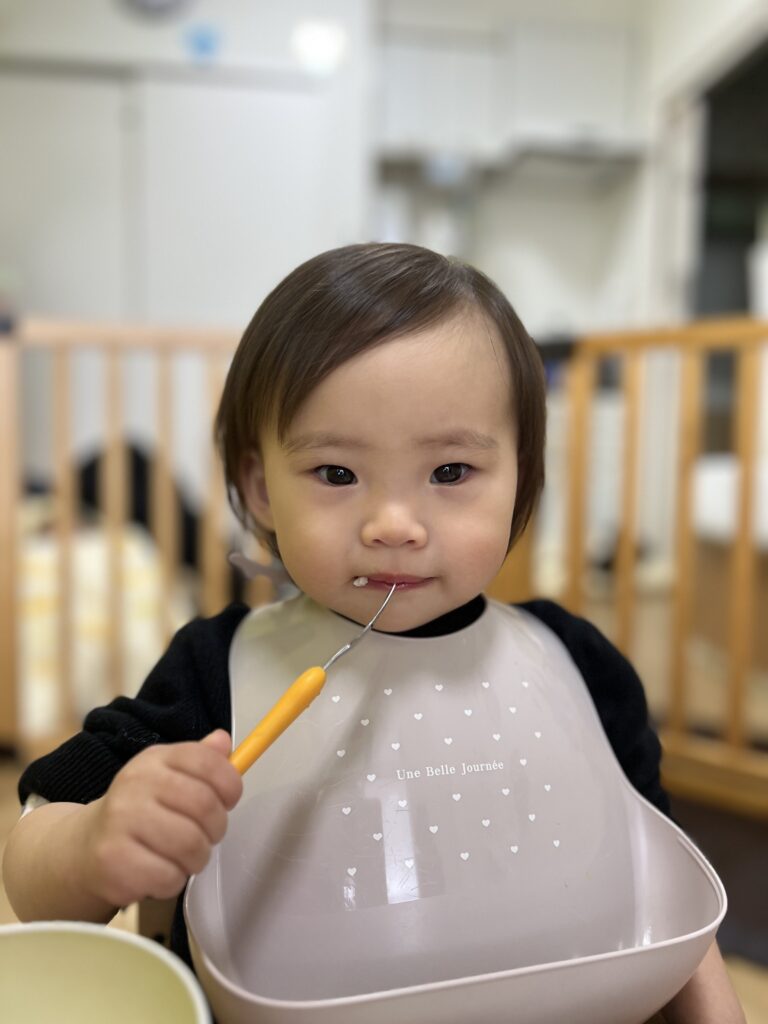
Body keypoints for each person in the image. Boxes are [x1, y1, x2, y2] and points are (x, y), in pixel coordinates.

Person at [3, 243, 744, 1022]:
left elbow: (664, 891)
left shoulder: (580, 665)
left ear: (521, 475)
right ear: (261, 486)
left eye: (450, 472)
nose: (394, 525)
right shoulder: (211, 669)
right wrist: (92, 846)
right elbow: (34, 883)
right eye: (337, 474)